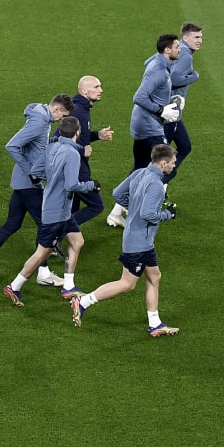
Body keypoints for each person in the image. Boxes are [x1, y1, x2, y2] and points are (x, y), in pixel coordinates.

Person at [71, 144, 180, 337]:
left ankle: (155, 324)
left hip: (141, 240)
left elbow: (117, 193)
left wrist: (134, 209)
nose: (174, 164)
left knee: (154, 276)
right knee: (127, 284)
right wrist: (166, 215)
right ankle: (84, 301)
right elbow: (148, 214)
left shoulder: (139, 173)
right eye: (172, 162)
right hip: (138, 242)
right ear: (163, 163)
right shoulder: (156, 184)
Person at [0, 93, 73, 287]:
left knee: (12, 224)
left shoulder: (41, 116)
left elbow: (34, 147)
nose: (62, 120)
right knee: (47, 225)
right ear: (56, 109)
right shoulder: (40, 123)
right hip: (28, 183)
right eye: (63, 115)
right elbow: (12, 146)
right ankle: (43, 273)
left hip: (23, 182)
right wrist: (31, 172)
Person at [2, 117, 97, 306]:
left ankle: (68, 287)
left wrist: (53, 178)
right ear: (77, 133)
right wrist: (91, 186)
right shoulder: (72, 153)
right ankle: (14, 286)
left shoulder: (51, 147)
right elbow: (72, 185)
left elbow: (36, 171)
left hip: (61, 211)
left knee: (77, 241)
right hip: (56, 213)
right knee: (41, 253)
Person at [108, 34, 180, 227]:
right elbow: (139, 96)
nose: (179, 49)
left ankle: (117, 211)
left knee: (140, 168)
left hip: (141, 124)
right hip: (149, 125)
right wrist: (161, 109)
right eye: (176, 46)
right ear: (167, 50)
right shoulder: (158, 71)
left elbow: (148, 61)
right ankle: (150, 208)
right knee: (166, 163)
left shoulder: (157, 62)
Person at [60, 76, 113, 228]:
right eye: (96, 87)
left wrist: (97, 135)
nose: (101, 90)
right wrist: (82, 150)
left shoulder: (83, 109)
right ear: (84, 91)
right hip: (76, 168)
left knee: (71, 209)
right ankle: (57, 233)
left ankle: (60, 241)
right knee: (96, 205)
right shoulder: (77, 112)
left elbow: (77, 137)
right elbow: (59, 138)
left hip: (77, 165)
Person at [164, 22, 202, 182]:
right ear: (185, 37)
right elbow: (175, 78)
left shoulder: (178, 50)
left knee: (185, 145)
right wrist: (195, 76)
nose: (200, 40)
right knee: (160, 152)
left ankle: (163, 177)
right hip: (169, 111)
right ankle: (160, 180)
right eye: (196, 37)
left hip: (171, 110)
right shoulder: (185, 54)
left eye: (201, 37)